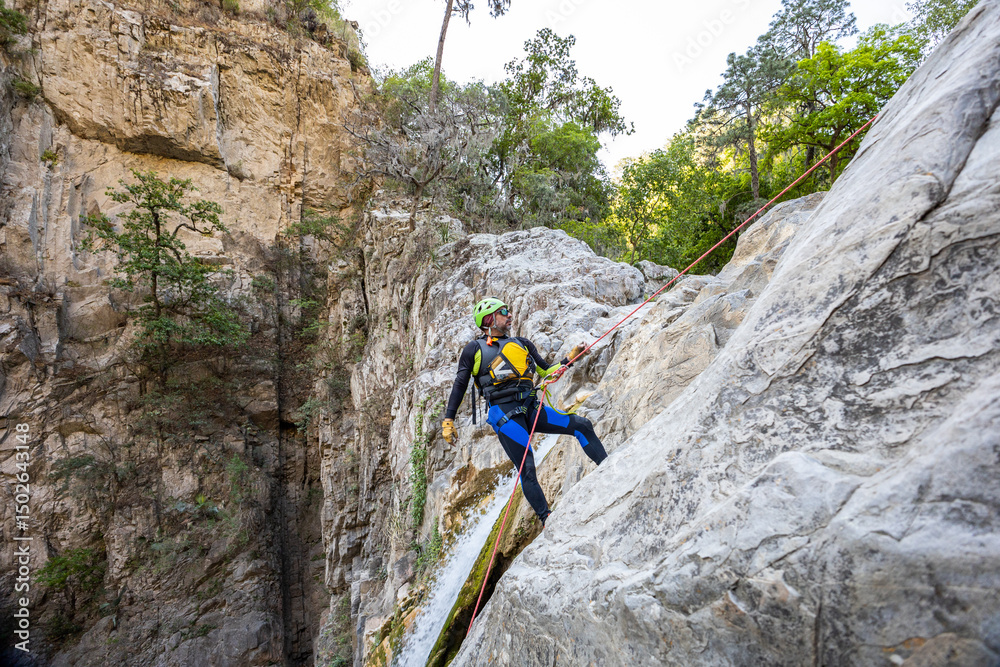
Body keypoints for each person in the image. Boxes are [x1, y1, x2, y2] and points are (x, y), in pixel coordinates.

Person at [440, 297, 609, 526]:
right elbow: (460, 384)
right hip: (505, 415)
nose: (509, 315)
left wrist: (570, 358)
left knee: (582, 426)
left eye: (508, 311)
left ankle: (609, 468)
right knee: (527, 467)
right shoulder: (474, 349)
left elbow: (547, 371)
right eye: (503, 312)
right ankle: (547, 519)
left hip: (531, 408)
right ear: (489, 319)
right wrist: (448, 420)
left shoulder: (523, 344)